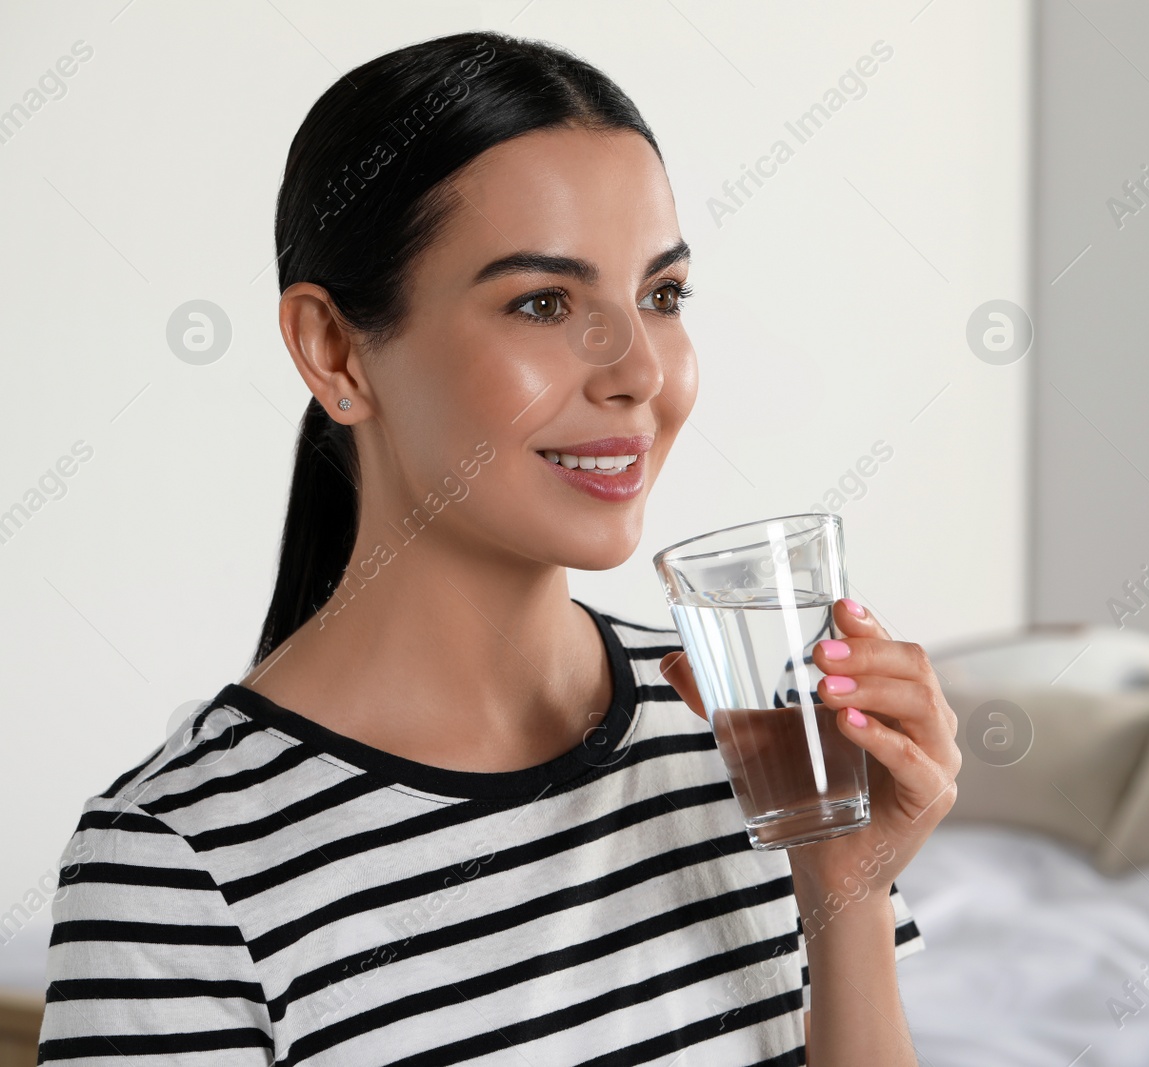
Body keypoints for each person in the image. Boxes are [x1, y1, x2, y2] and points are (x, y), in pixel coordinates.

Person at [37, 30, 960, 1066]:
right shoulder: (176, 864)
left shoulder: (757, 748)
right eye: (543, 303)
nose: (639, 374)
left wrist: (847, 890)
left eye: (661, 296)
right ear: (334, 350)